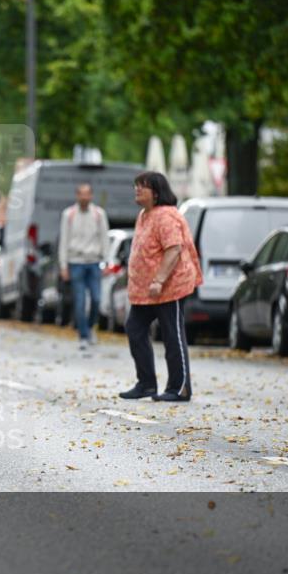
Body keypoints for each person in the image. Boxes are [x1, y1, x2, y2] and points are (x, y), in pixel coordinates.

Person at [119, 172, 202, 402]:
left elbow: (173, 249)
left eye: (142, 187)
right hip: (146, 291)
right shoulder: (144, 215)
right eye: (136, 186)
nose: (137, 190)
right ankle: (146, 384)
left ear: (156, 193)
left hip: (169, 286)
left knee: (172, 335)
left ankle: (180, 388)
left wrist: (159, 280)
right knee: (135, 328)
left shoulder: (166, 215)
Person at [58, 183, 111, 350]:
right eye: (81, 194)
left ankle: (89, 327)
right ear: (77, 196)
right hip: (75, 263)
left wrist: (107, 262)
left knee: (96, 299)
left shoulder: (99, 214)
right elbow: (64, 240)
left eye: (87, 194)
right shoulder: (69, 214)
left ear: (91, 196)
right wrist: (63, 265)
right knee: (79, 301)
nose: (84, 197)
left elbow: (104, 238)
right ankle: (83, 335)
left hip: (94, 262)